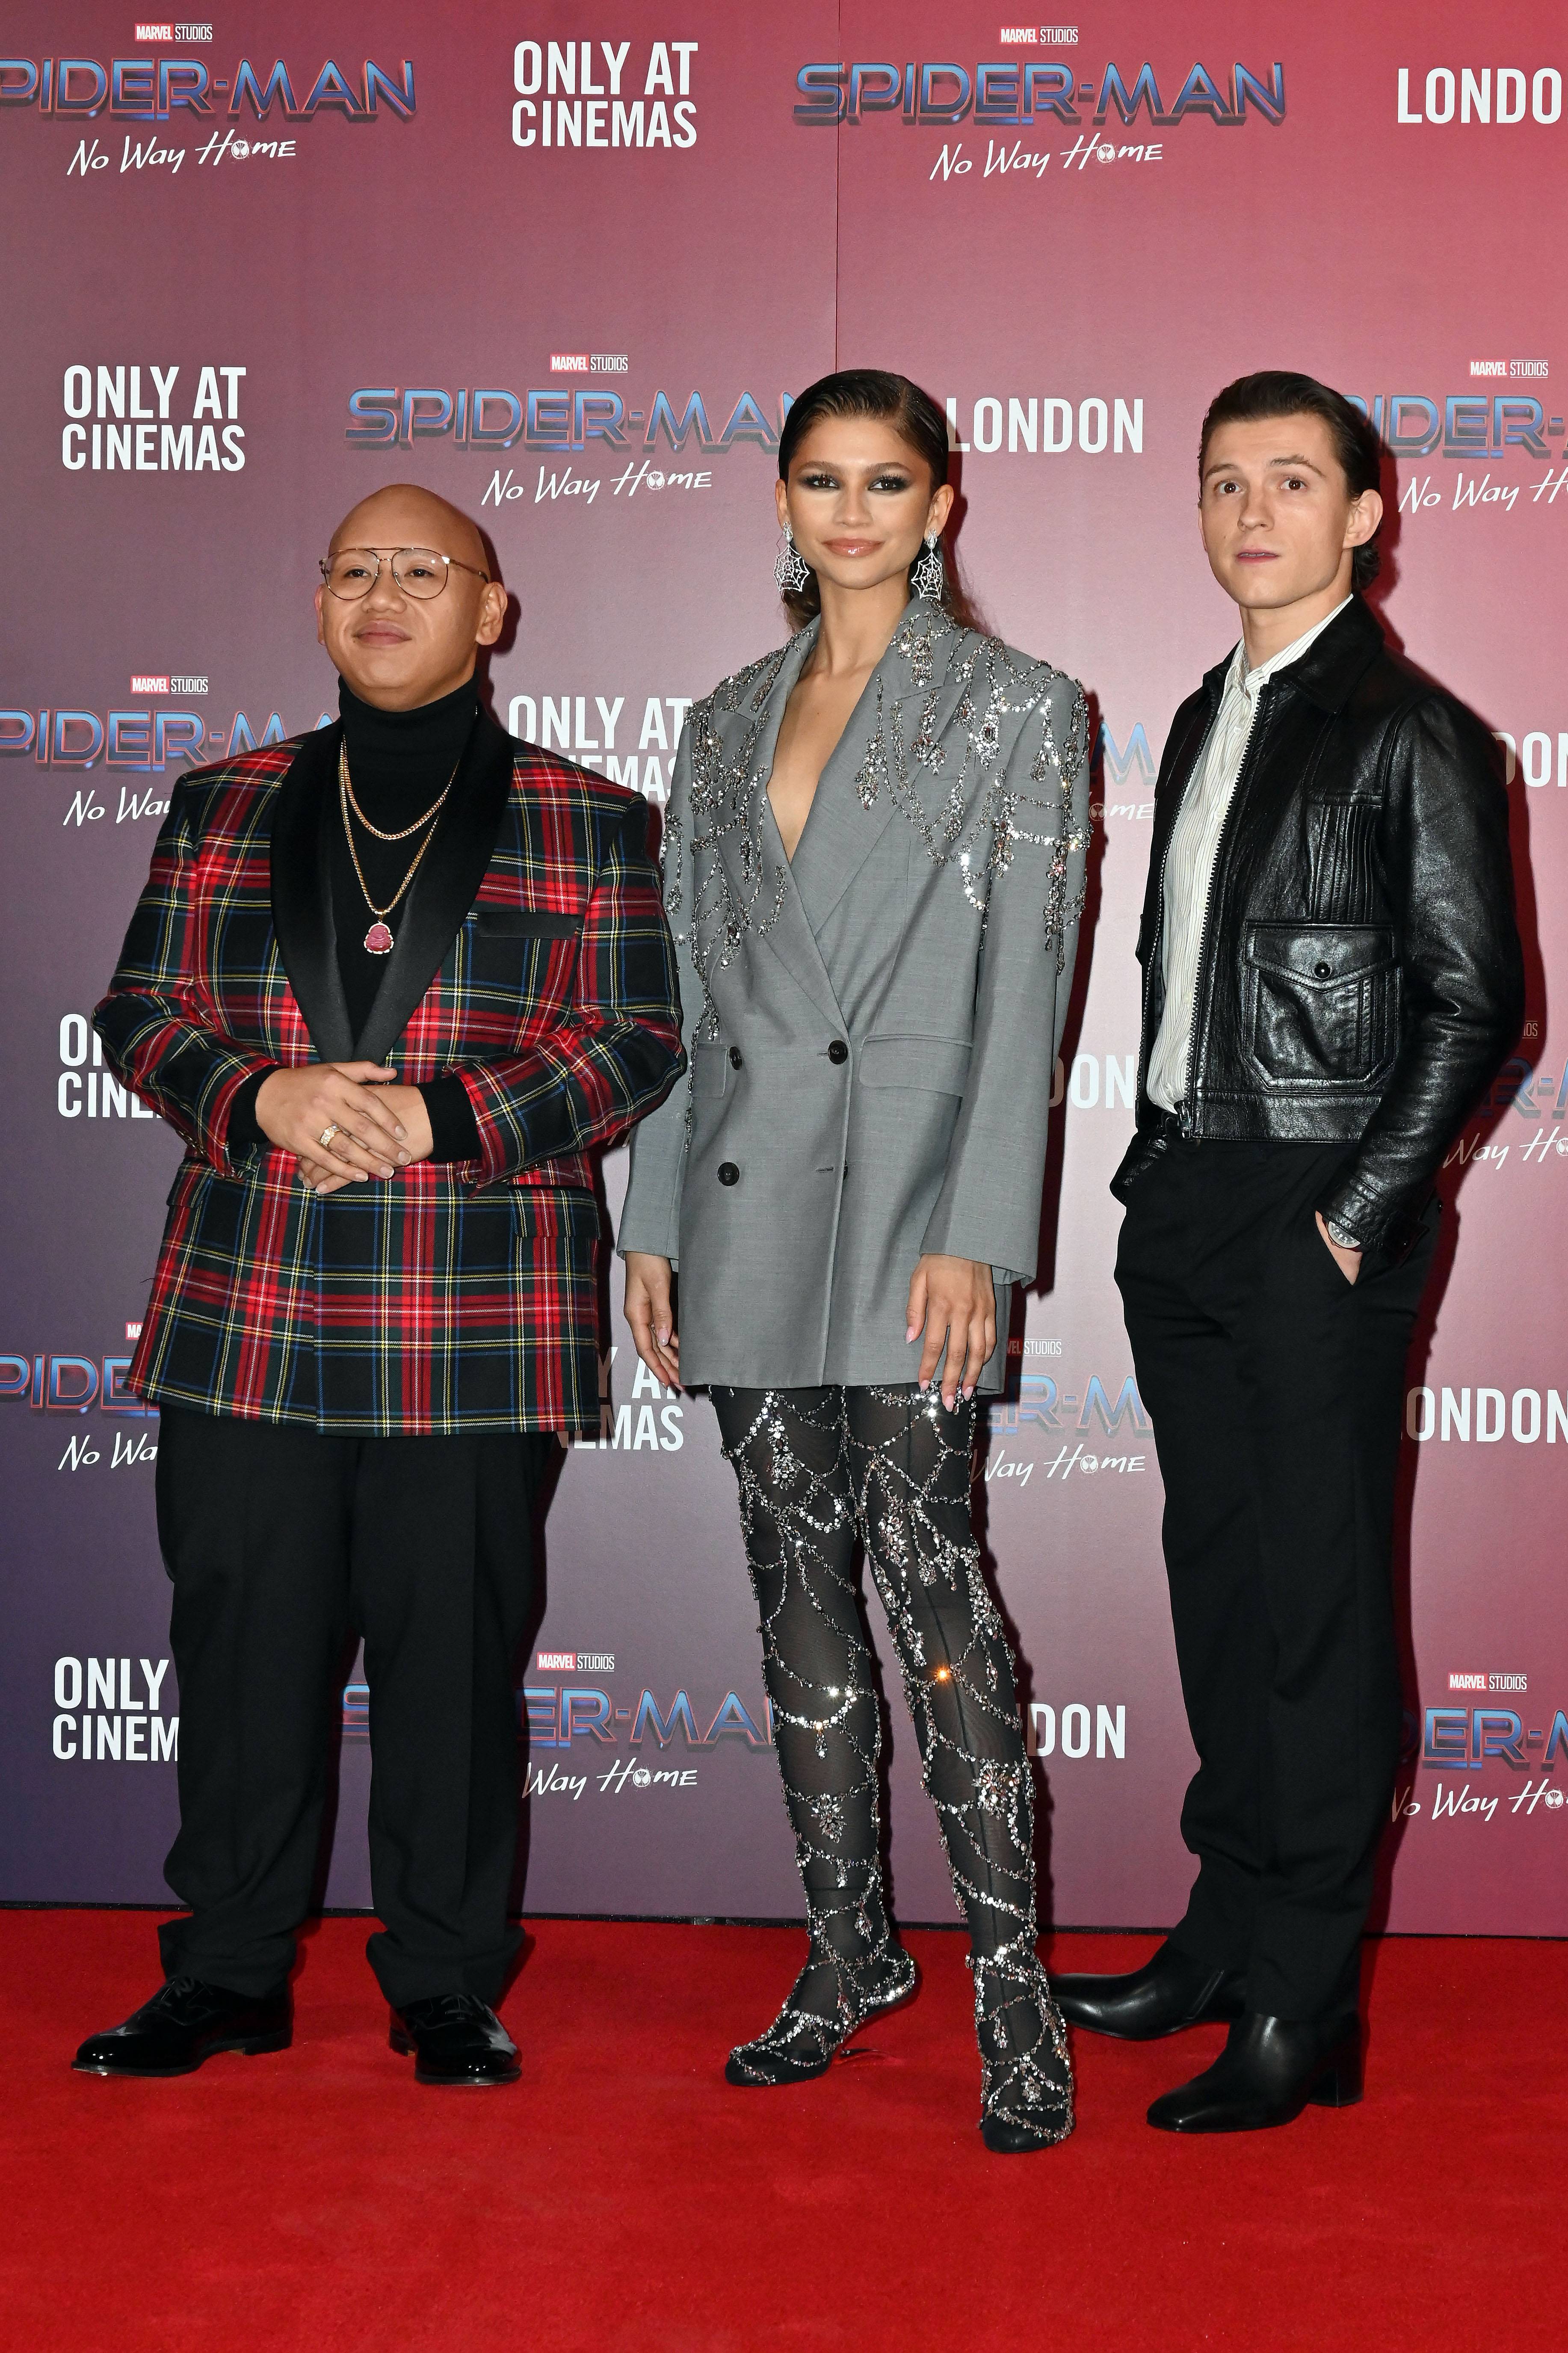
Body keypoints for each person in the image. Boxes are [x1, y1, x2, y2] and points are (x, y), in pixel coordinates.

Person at [76, 484, 683, 2086]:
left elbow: (637, 1044)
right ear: (321, 601)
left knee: (454, 1663)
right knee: (243, 1651)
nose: (386, 593)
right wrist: (256, 1094)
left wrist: (443, 1114)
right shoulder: (221, 801)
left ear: (493, 612)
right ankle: (224, 1972)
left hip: (476, 1319)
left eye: (426, 570)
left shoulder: (594, 820)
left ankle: (445, 1979)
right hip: (251, 1303)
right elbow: (139, 1011)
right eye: (357, 569)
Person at [618, 369, 1091, 2154]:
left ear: (943, 501)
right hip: (741, 1208)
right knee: (793, 1600)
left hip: (908, 1211)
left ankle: (1009, 1985)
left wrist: (982, 1230)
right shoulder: (719, 719)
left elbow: (1023, 994)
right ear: (780, 500)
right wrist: (651, 1216)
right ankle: (843, 1952)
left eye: (885, 481)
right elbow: (682, 999)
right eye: (819, 479)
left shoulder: (1019, 710)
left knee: (935, 1583)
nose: (850, 512)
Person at [1053, 371, 1523, 2131]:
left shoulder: (1412, 731)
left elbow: (1481, 1004)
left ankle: (1304, 2002)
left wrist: (1350, 1212)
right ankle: (1225, 1928)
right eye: (1220, 481)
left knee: (1316, 1613)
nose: (1249, 511)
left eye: (1289, 481)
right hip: (1183, 1197)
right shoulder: (1196, 712)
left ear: (1363, 515)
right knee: (1222, 1594)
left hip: (1314, 1208)